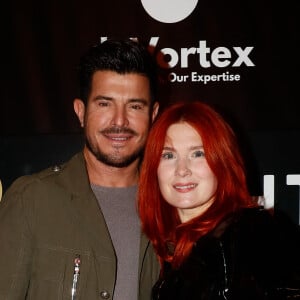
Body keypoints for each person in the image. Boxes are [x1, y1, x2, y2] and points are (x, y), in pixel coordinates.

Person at [0, 38, 160, 300]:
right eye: (104, 104)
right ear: (81, 111)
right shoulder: (31, 201)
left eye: (134, 106)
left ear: (153, 115)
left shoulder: (171, 206)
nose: (120, 121)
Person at [138, 100, 300, 300]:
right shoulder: (162, 248)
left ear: (223, 161)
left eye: (198, 154)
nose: (182, 169)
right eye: (168, 155)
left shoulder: (252, 234)